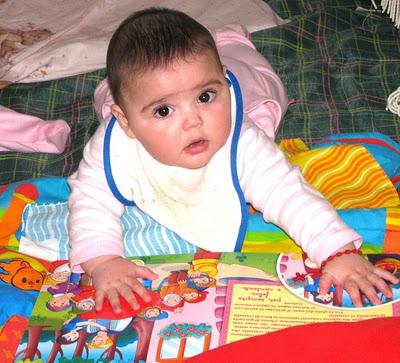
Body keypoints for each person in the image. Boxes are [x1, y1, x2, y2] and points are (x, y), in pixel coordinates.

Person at [68, 7, 398, 314]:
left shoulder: (242, 142)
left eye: (205, 96)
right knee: (114, 96)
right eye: (163, 111)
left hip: (247, 85)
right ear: (126, 124)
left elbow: (288, 193)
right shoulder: (113, 145)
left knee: (265, 89)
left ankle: (233, 43)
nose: (193, 121)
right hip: (135, 104)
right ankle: (118, 92)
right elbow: (91, 199)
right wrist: (103, 259)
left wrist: (337, 250)